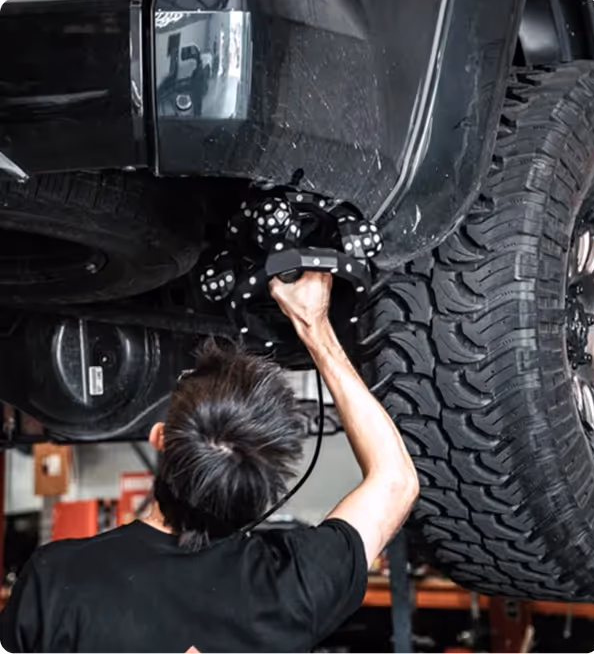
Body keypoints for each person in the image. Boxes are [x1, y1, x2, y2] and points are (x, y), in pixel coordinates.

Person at [0, 272, 419, 654]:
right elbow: (396, 480)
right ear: (263, 491)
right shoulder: (291, 588)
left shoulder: (55, 581)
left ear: (159, 438)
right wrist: (315, 327)